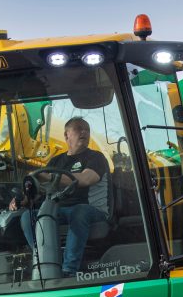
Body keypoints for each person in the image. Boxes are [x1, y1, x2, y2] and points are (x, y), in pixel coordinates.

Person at [11, 117, 110, 276]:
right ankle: (44, 262)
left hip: (92, 210)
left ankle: (68, 270)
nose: (84, 132)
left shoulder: (96, 157)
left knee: (79, 211)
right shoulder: (56, 161)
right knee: (26, 217)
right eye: (78, 128)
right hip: (59, 210)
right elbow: (40, 190)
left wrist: (50, 176)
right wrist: (22, 200)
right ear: (66, 135)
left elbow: (85, 179)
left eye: (86, 129)